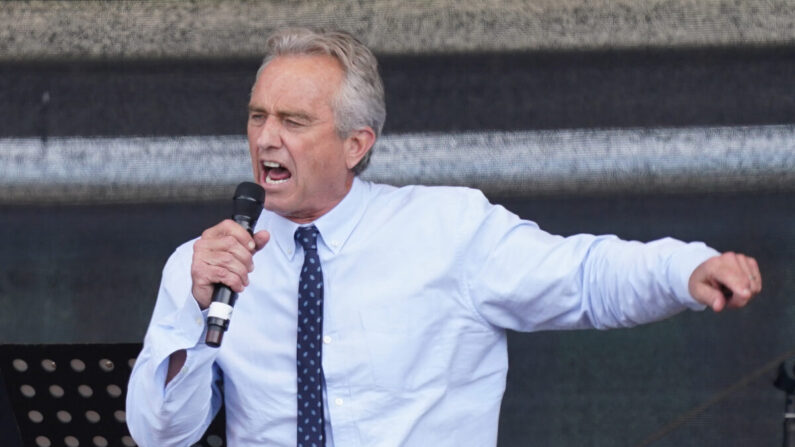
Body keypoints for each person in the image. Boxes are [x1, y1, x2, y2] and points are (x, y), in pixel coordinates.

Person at [126, 27, 762, 447]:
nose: (266, 138)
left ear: (355, 144)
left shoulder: (448, 231)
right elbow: (161, 434)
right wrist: (195, 310)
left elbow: (583, 277)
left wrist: (683, 270)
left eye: (293, 120)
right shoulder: (206, 262)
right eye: (258, 116)